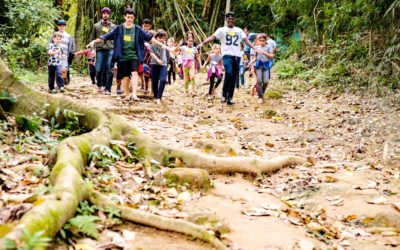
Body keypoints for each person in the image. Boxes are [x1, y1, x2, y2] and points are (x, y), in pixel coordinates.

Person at [87, 8, 169, 101]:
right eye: (128, 17)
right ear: (124, 17)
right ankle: (127, 95)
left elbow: (149, 38)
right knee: (125, 76)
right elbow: (106, 36)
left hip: (134, 55)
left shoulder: (137, 29)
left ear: (133, 18)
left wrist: (161, 44)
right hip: (122, 56)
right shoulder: (119, 29)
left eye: (132, 17)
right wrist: (94, 41)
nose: (130, 19)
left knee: (134, 73)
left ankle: (134, 94)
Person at [197, 12, 259, 105]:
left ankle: (230, 97)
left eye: (232, 18)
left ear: (234, 20)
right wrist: (202, 43)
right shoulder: (221, 30)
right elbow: (213, 37)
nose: (230, 20)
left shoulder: (238, 30)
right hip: (226, 55)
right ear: (226, 19)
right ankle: (223, 95)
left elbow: (246, 40)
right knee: (229, 73)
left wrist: (254, 47)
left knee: (234, 77)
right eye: (229, 18)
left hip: (237, 56)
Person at [90, 7, 115, 95]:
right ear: (101, 14)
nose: (105, 15)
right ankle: (99, 84)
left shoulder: (113, 26)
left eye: (107, 13)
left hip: (110, 49)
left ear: (109, 15)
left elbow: (116, 38)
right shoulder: (96, 26)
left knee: (110, 69)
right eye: (104, 13)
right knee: (98, 69)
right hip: (99, 50)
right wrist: (92, 49)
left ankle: (107, 88)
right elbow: (92, 39)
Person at [249, 33, 274, 104]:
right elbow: (255, 57)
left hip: (266, 65)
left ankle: (262, 92)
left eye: (263, 40)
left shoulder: (269, 47)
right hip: (258, 65)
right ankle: (260, 96)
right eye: (260, 40)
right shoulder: (256, 47)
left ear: (266, 40)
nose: (262, 42)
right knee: (259, 81)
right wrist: (251, 63)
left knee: (266, 81)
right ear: (258, 41)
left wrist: (264, 52)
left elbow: (272, 56)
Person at [149, 29, 171, 104]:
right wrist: (157, 60)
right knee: (154, 81)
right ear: (156, 37)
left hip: (164, 65)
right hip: (154, 64)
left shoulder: (165, 45)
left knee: (163, 80)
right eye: (160, 38)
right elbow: (151, 53)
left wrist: (168, 62)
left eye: (163, 38)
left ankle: (159, 97)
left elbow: (169, 53)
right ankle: (155, 96)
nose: (161, 40)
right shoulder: (153, 45)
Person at [51, 20, 75, 85]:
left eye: (63, 26)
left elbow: (72, 46)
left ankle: (65, 79)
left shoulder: (69, 36)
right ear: (58, 27)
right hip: (56, 55)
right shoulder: (54, 35)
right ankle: (59, 84)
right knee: (57, 70)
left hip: (65, 55)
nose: (62, 27)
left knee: (64, 70)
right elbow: (50, 44)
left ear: (65, 27)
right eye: (60, 26)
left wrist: (71, 54)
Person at [139, 18, 152, 90]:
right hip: (141, 54)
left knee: (147, 71)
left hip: (149, 55)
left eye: (147, 26)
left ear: (150, 26)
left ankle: (146, 85)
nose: (146, 27)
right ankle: (142, 81)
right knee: (140, 70)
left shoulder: (151, 35)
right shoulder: (139, 33)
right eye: (145, 26)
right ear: (142, 26)